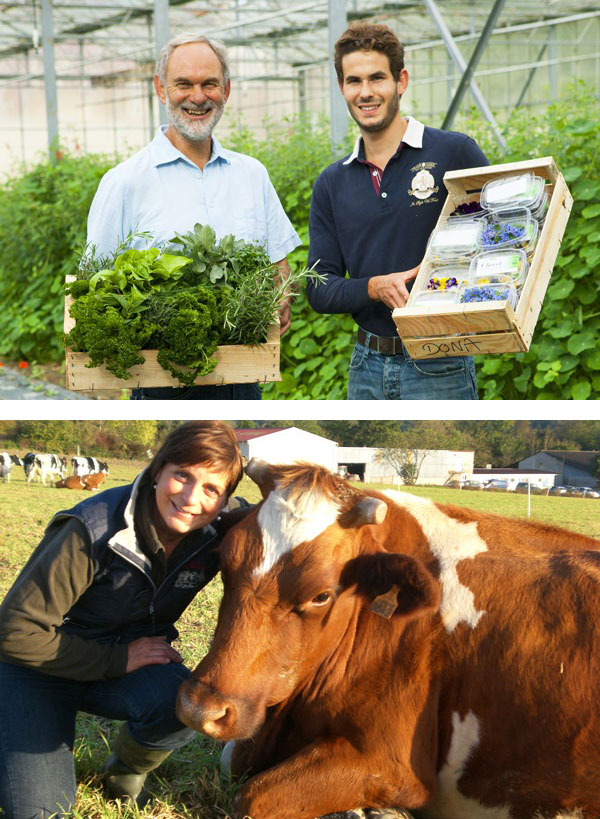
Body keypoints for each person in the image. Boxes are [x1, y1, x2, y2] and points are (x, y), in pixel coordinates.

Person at [0, 421, 250, 819]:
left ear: (223, 501)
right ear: (158, 471)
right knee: (41, 813)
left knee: (184, 704)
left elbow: (288, 522)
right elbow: (13, 633)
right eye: (182, 475)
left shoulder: (218, 531)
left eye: (211, 489)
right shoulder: (93, 529)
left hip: (128, 663)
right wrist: (119, 659)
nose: (190, 498)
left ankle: (124, 774)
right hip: (38, 668)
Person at [86, 33, 301, 400]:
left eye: (209, 84)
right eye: (183, 84)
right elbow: (95, 285)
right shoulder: (123, 182)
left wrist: (280, 298)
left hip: (241, 378)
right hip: (159, 383)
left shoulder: (252, 175)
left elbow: (279, 263)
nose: (198, 97)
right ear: (160, 88)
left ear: (226, 90)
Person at [306, 21, 489, 401]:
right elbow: (319, 288)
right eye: (354, 81)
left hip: (440, 362)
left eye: (377, 78)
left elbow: (494, 242)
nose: (366, 92)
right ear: (342, 87)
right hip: (366, 366)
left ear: (401, 81)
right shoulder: (331, 183)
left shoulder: (452, 153)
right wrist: (374, 286)